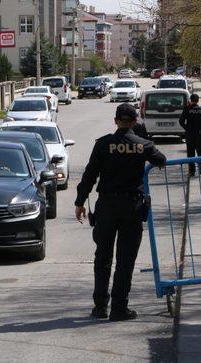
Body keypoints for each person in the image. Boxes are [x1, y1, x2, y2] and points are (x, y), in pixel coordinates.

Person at [75, 103, 166, 321]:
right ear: (135, 121)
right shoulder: (142, 144)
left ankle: (99, 308)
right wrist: (143, 140)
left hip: (106, 206)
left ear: (116, 121)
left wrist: (80, 202)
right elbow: (161, 160)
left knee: (103, 258)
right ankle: (119, 308)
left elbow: (90, 175)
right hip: (131, 208)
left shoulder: (103, 144)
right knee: (125, 260)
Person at [179, 94, 201, 175]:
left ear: (190, 100)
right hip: (200, 135)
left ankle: (192, 171)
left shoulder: (187, 109)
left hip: (190, 135)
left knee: (190, 153)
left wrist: (187, 129)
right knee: (200, 151)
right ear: (198, 100)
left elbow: (181, 121)